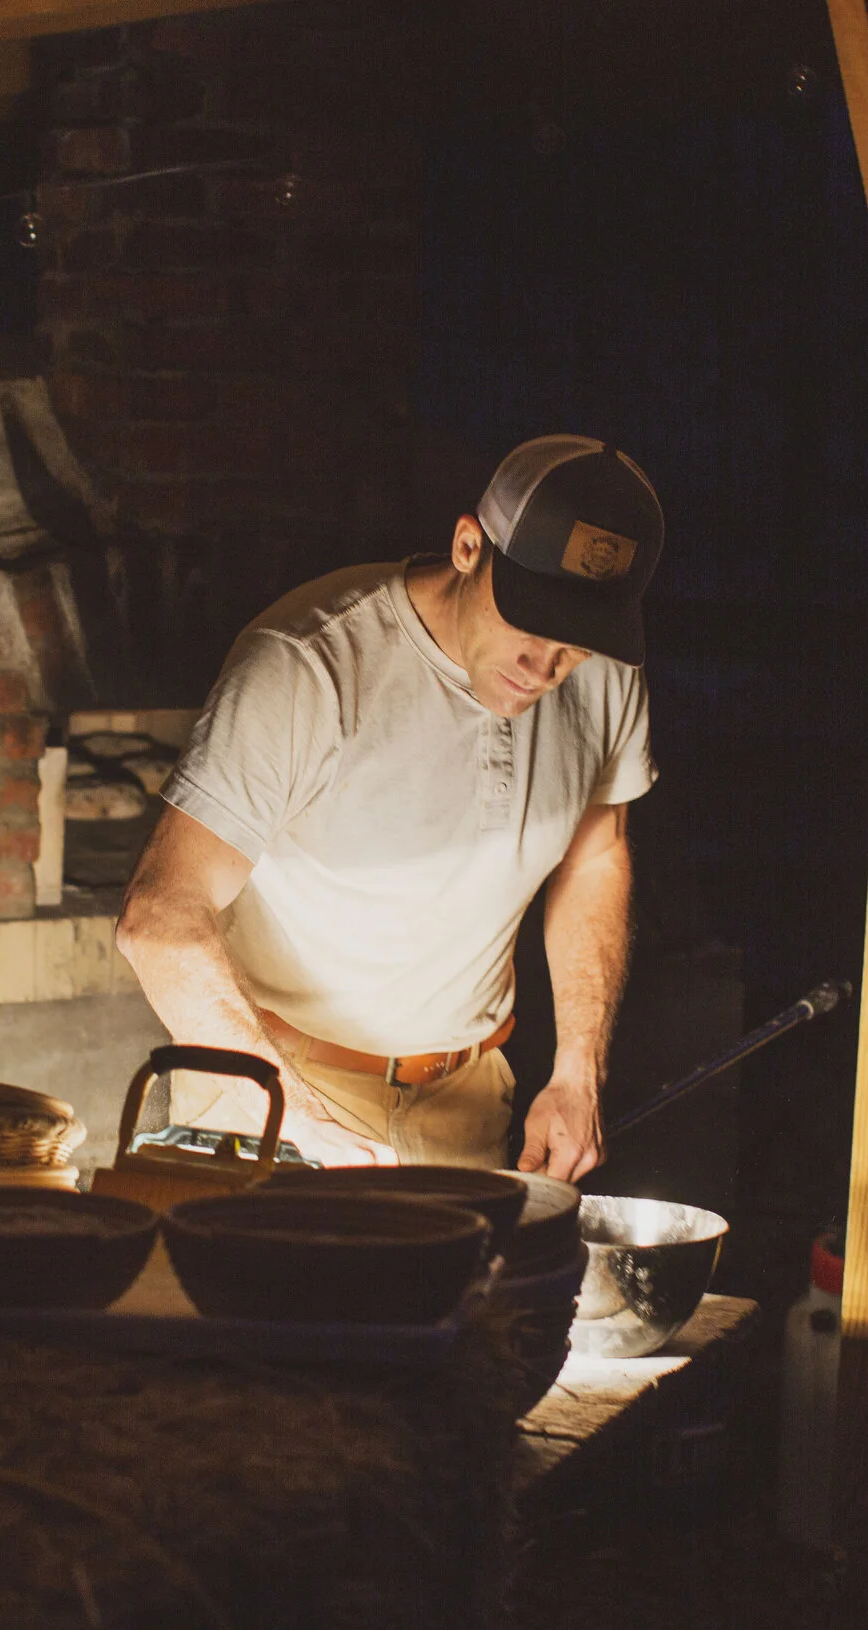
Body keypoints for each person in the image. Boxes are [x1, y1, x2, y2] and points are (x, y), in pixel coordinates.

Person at [115, 437, 663, 1183]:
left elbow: (597, 856)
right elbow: (158, 920)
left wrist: (577, 1068)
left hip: (467, 1103)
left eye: (575, 643)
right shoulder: (308, 663)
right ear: (470, 545)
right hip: (273, 1085)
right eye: (529, 623)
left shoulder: (601, 675)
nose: (546, 667)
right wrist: (299, 1120)